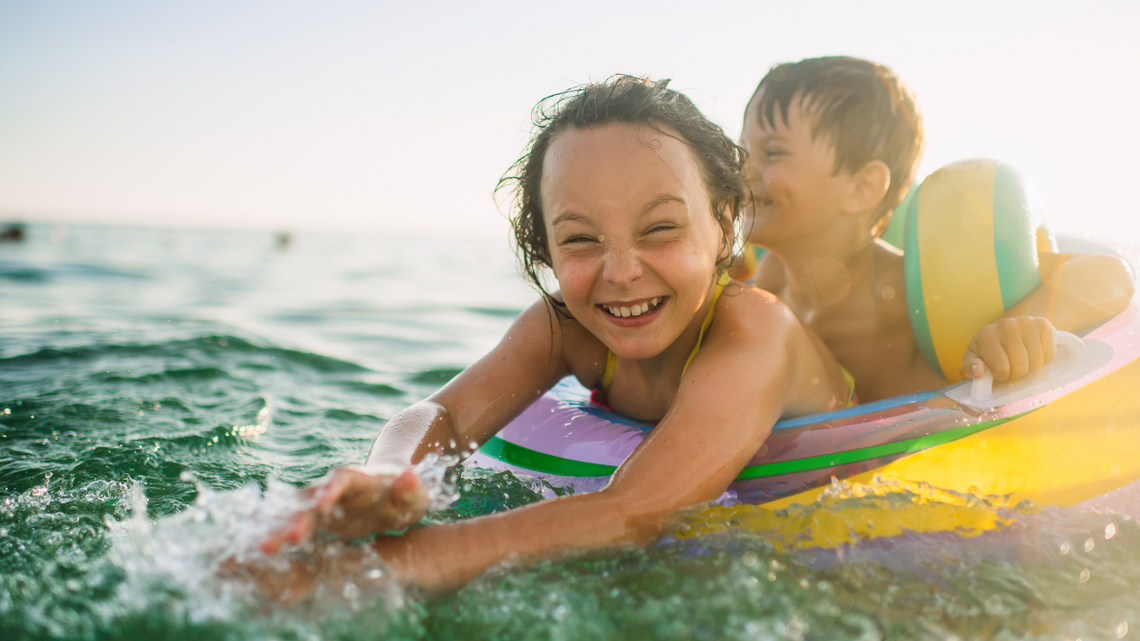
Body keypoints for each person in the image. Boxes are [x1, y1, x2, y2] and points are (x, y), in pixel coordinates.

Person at [253, 76, 852, 595]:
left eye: (660, 229)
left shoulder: (756, 330)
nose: (620, 272)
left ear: (724, 223)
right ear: (545, 247)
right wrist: (391, 474)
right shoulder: (565, 325)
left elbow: (640, 509)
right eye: (581, 240)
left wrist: (397, 563)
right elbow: (447, 415)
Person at [739, 56, 1135, 403]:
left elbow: (1111, 278)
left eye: (773, 153)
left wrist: (1017, 327)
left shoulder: (925, 295)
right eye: (743, 149)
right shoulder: (769, 281)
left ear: (862, 188)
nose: (744, 169)